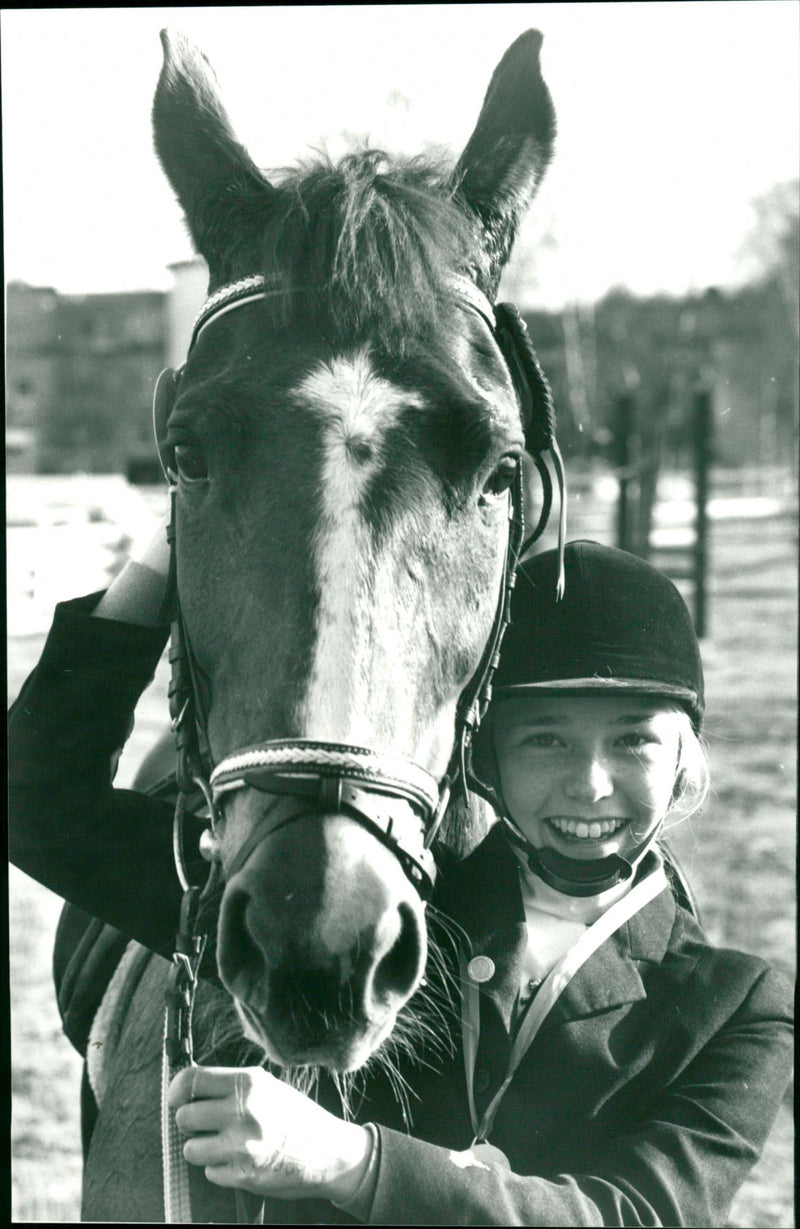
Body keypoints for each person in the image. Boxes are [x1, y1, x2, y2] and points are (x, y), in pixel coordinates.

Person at [9, 532, 793, 1226]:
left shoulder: (739, 1007)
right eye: (544, 741)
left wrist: (350, 1160)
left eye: (634, 742)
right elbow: (36, 803)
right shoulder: (378, 916)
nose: (590, 785)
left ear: (687, 754)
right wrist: (173, 545)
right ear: (483, 757)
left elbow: (636, 1214)